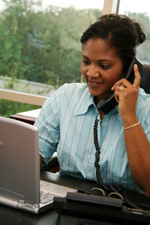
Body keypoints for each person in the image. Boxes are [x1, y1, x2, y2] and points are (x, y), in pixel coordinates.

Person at [35, 14, 150, 198]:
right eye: (86, 62)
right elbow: (32, 157)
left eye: (103, 65)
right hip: (66, 205)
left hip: (126, 212)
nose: (91, 73)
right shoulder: (65, 97)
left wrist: (129, 116)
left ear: (128, 68)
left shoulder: (146, 110)